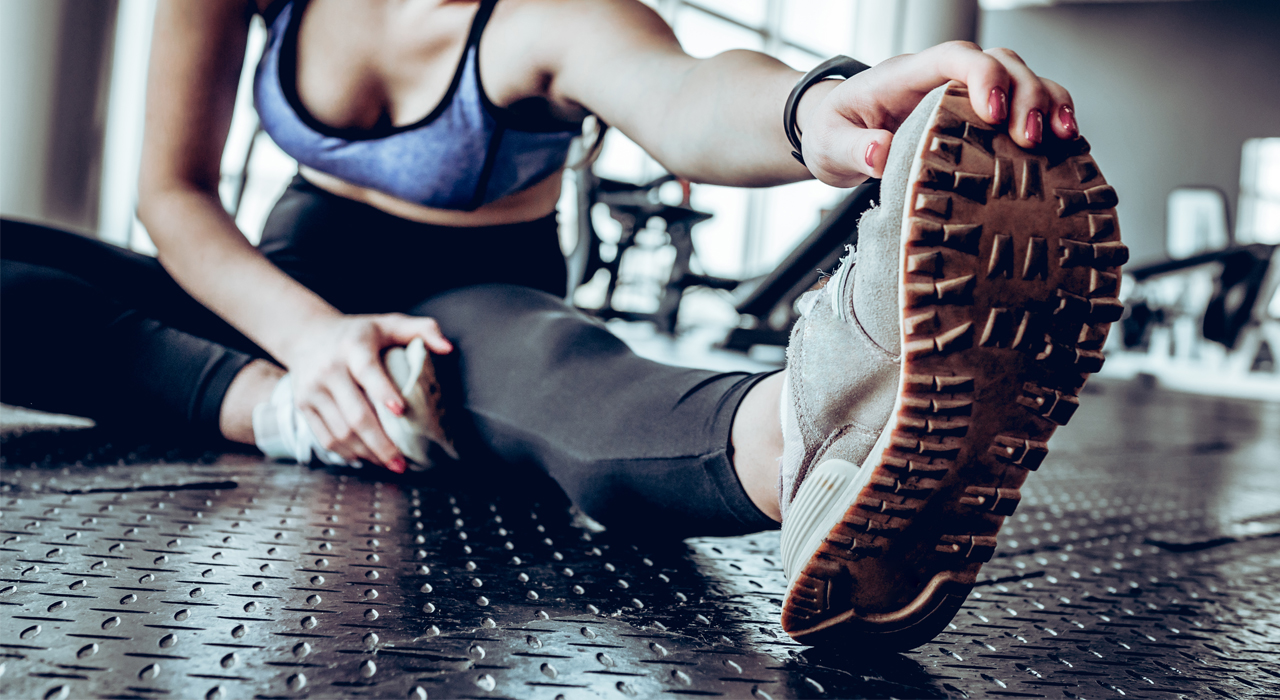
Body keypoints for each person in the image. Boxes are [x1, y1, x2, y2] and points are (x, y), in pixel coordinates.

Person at [0, 0, 1122, 649]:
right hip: (277, 280)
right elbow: (172, 195)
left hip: (470, 296)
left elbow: (680, 93)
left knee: (550, 381)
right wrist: (301, 359)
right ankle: (266, 411)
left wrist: (818, 106)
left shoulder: (545, 9)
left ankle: (816, 443)